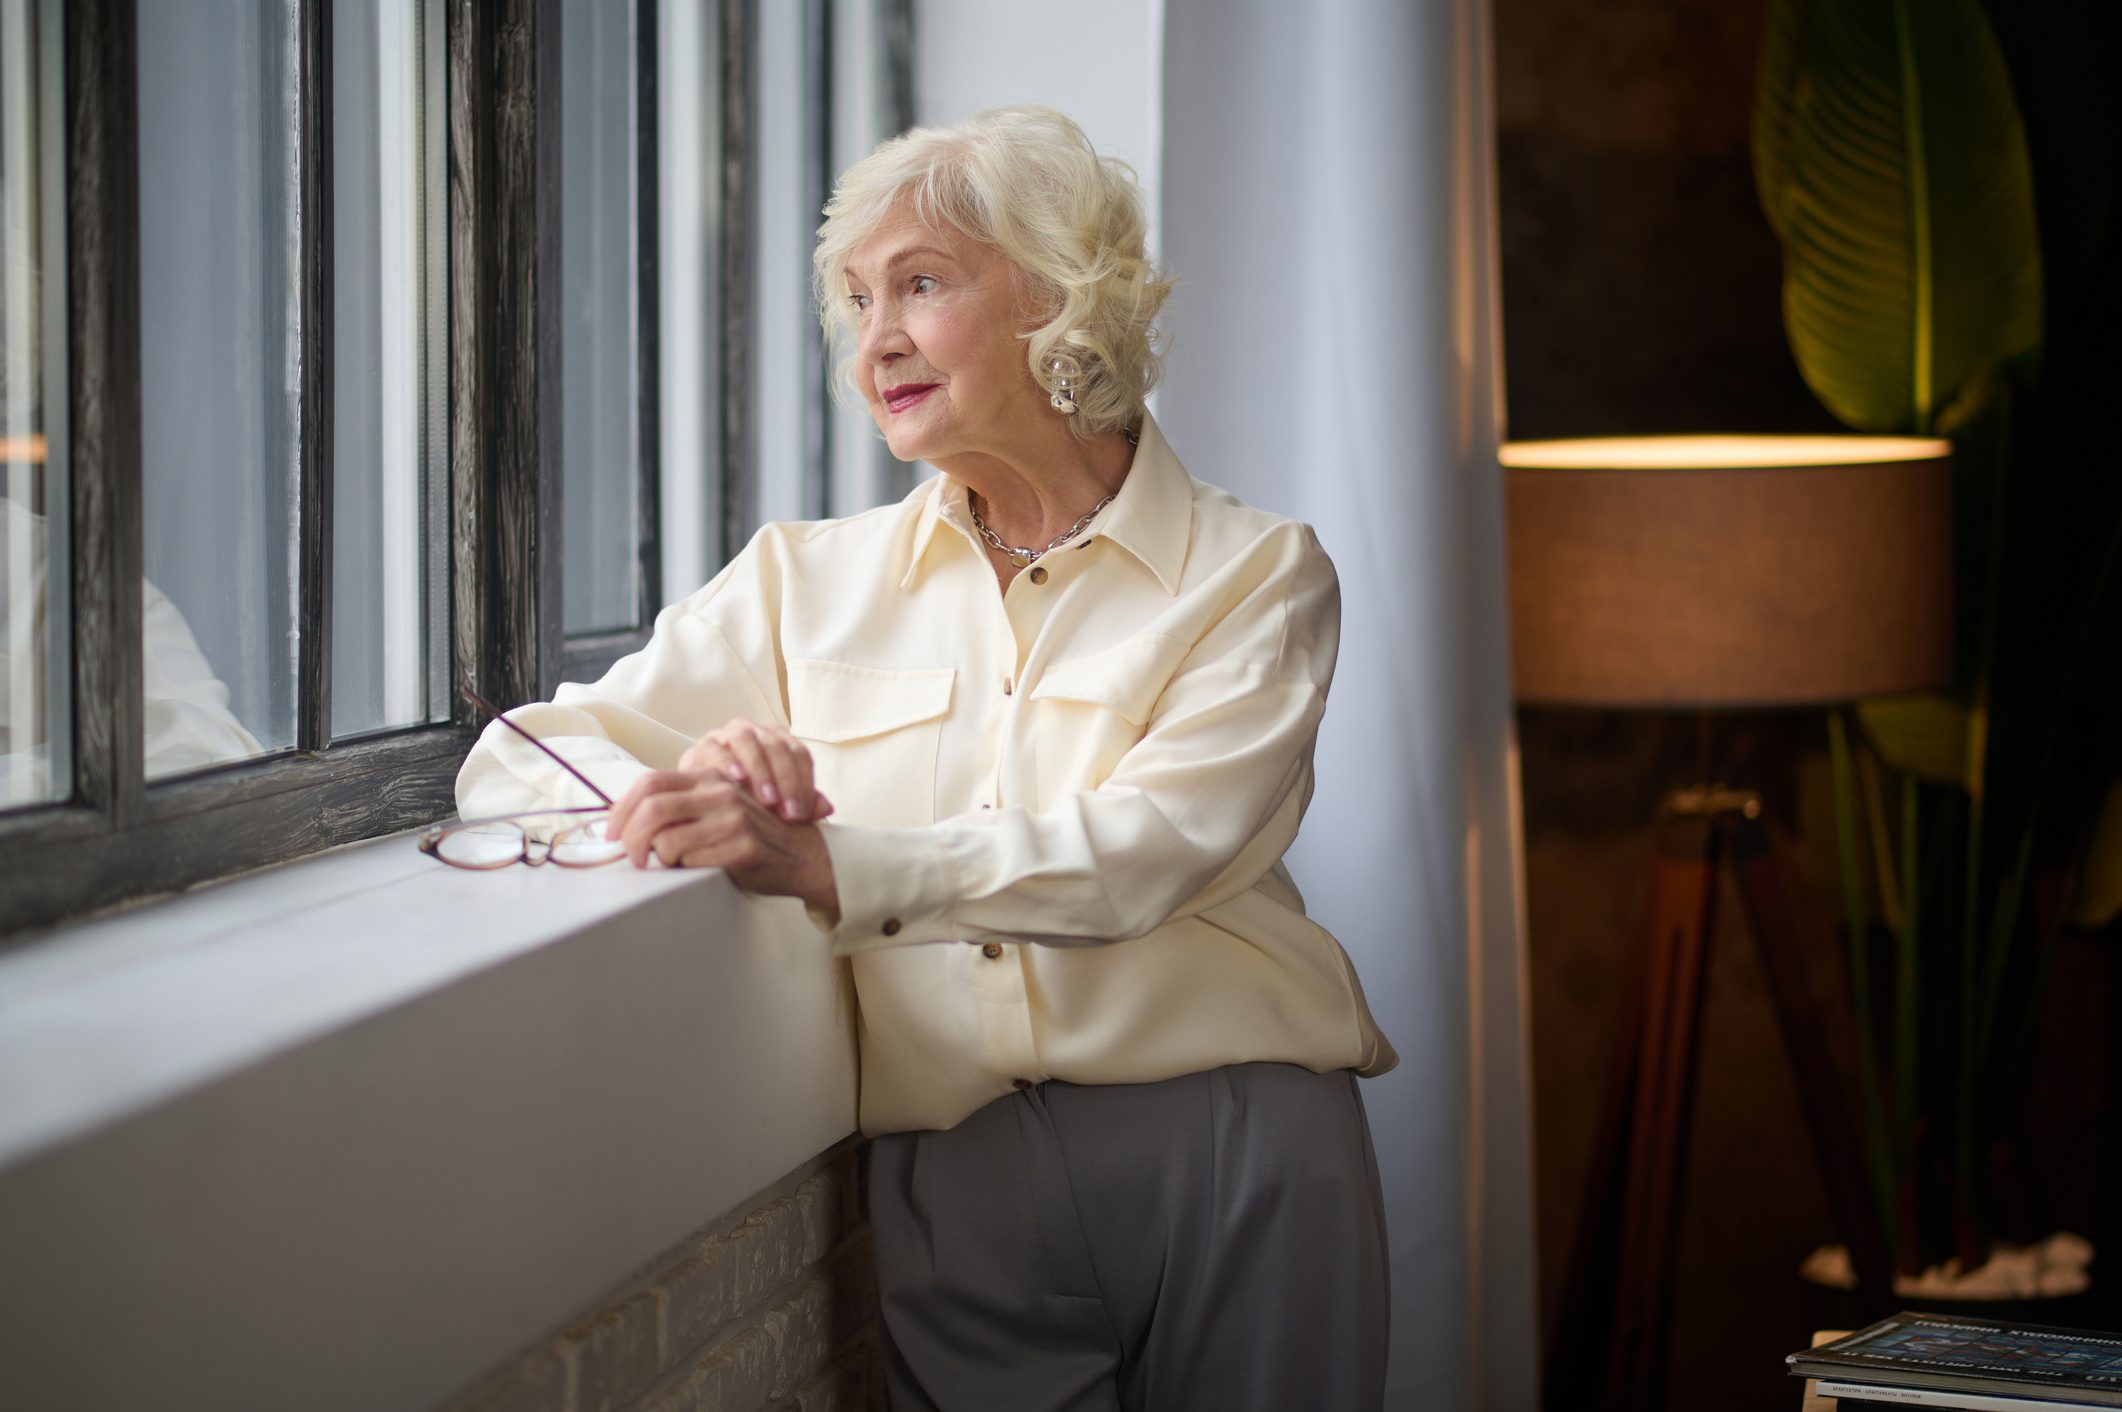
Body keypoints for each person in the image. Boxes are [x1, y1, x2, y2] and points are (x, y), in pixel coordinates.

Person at [455, 104, 1398, 1411]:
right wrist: (688, 800)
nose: (874, 338)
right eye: (854, 301)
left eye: (921, 283)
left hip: (1233, 1136)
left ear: (1058, 300)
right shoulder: (800, 583)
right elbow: (520, 758)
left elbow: (1149, 852)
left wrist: (829, 858)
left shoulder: (1254, 574)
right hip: (949, 1178)